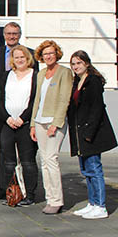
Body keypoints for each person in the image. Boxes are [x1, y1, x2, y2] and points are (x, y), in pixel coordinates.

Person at [0, 22, 37, 199]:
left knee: (27, 158)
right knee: (5, 156)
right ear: (4, 35)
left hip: (25, 119)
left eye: (15, 33)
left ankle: (28, 191)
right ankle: (7, 190)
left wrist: (24, 117)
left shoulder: (32, 62)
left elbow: (35, 94)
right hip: (4, 116)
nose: (12, 36)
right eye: (8, 33)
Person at [68, 50, 117, 220]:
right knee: (85, 170)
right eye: (73, 64)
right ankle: (93, 203)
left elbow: (97, 108)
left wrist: (88, 133)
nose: (76, 67)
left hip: (92, 133)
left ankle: (101, 206)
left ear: (87, 63)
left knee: (94, 169)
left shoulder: (93, 81)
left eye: (79, 63)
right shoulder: (77, 81)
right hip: (80, 133)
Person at [30, 40, 73, 215]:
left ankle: (57, 200)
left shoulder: (64, 72)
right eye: (45, 54)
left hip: (54, 121)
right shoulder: (41, 74)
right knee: (44, 160)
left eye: (51, 53)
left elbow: (65, 99)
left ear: (57, 55)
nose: (48, 56)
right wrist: (33, 123)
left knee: (51, 158)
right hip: (40, 120)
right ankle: (50, 197)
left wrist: (56, 123)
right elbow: (37, 100)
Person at [0, 45, 38, 207]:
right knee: (8, 161)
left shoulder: (35, 76)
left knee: (27, 161)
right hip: (8, 124)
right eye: (17, 57)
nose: (20, 60)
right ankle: (12, 192)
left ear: (28, 59)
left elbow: (35, 100)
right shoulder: (7, 76)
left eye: (22, 57)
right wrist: (7, 118)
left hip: (25, 124)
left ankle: (30, 194)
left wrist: (23, 117)